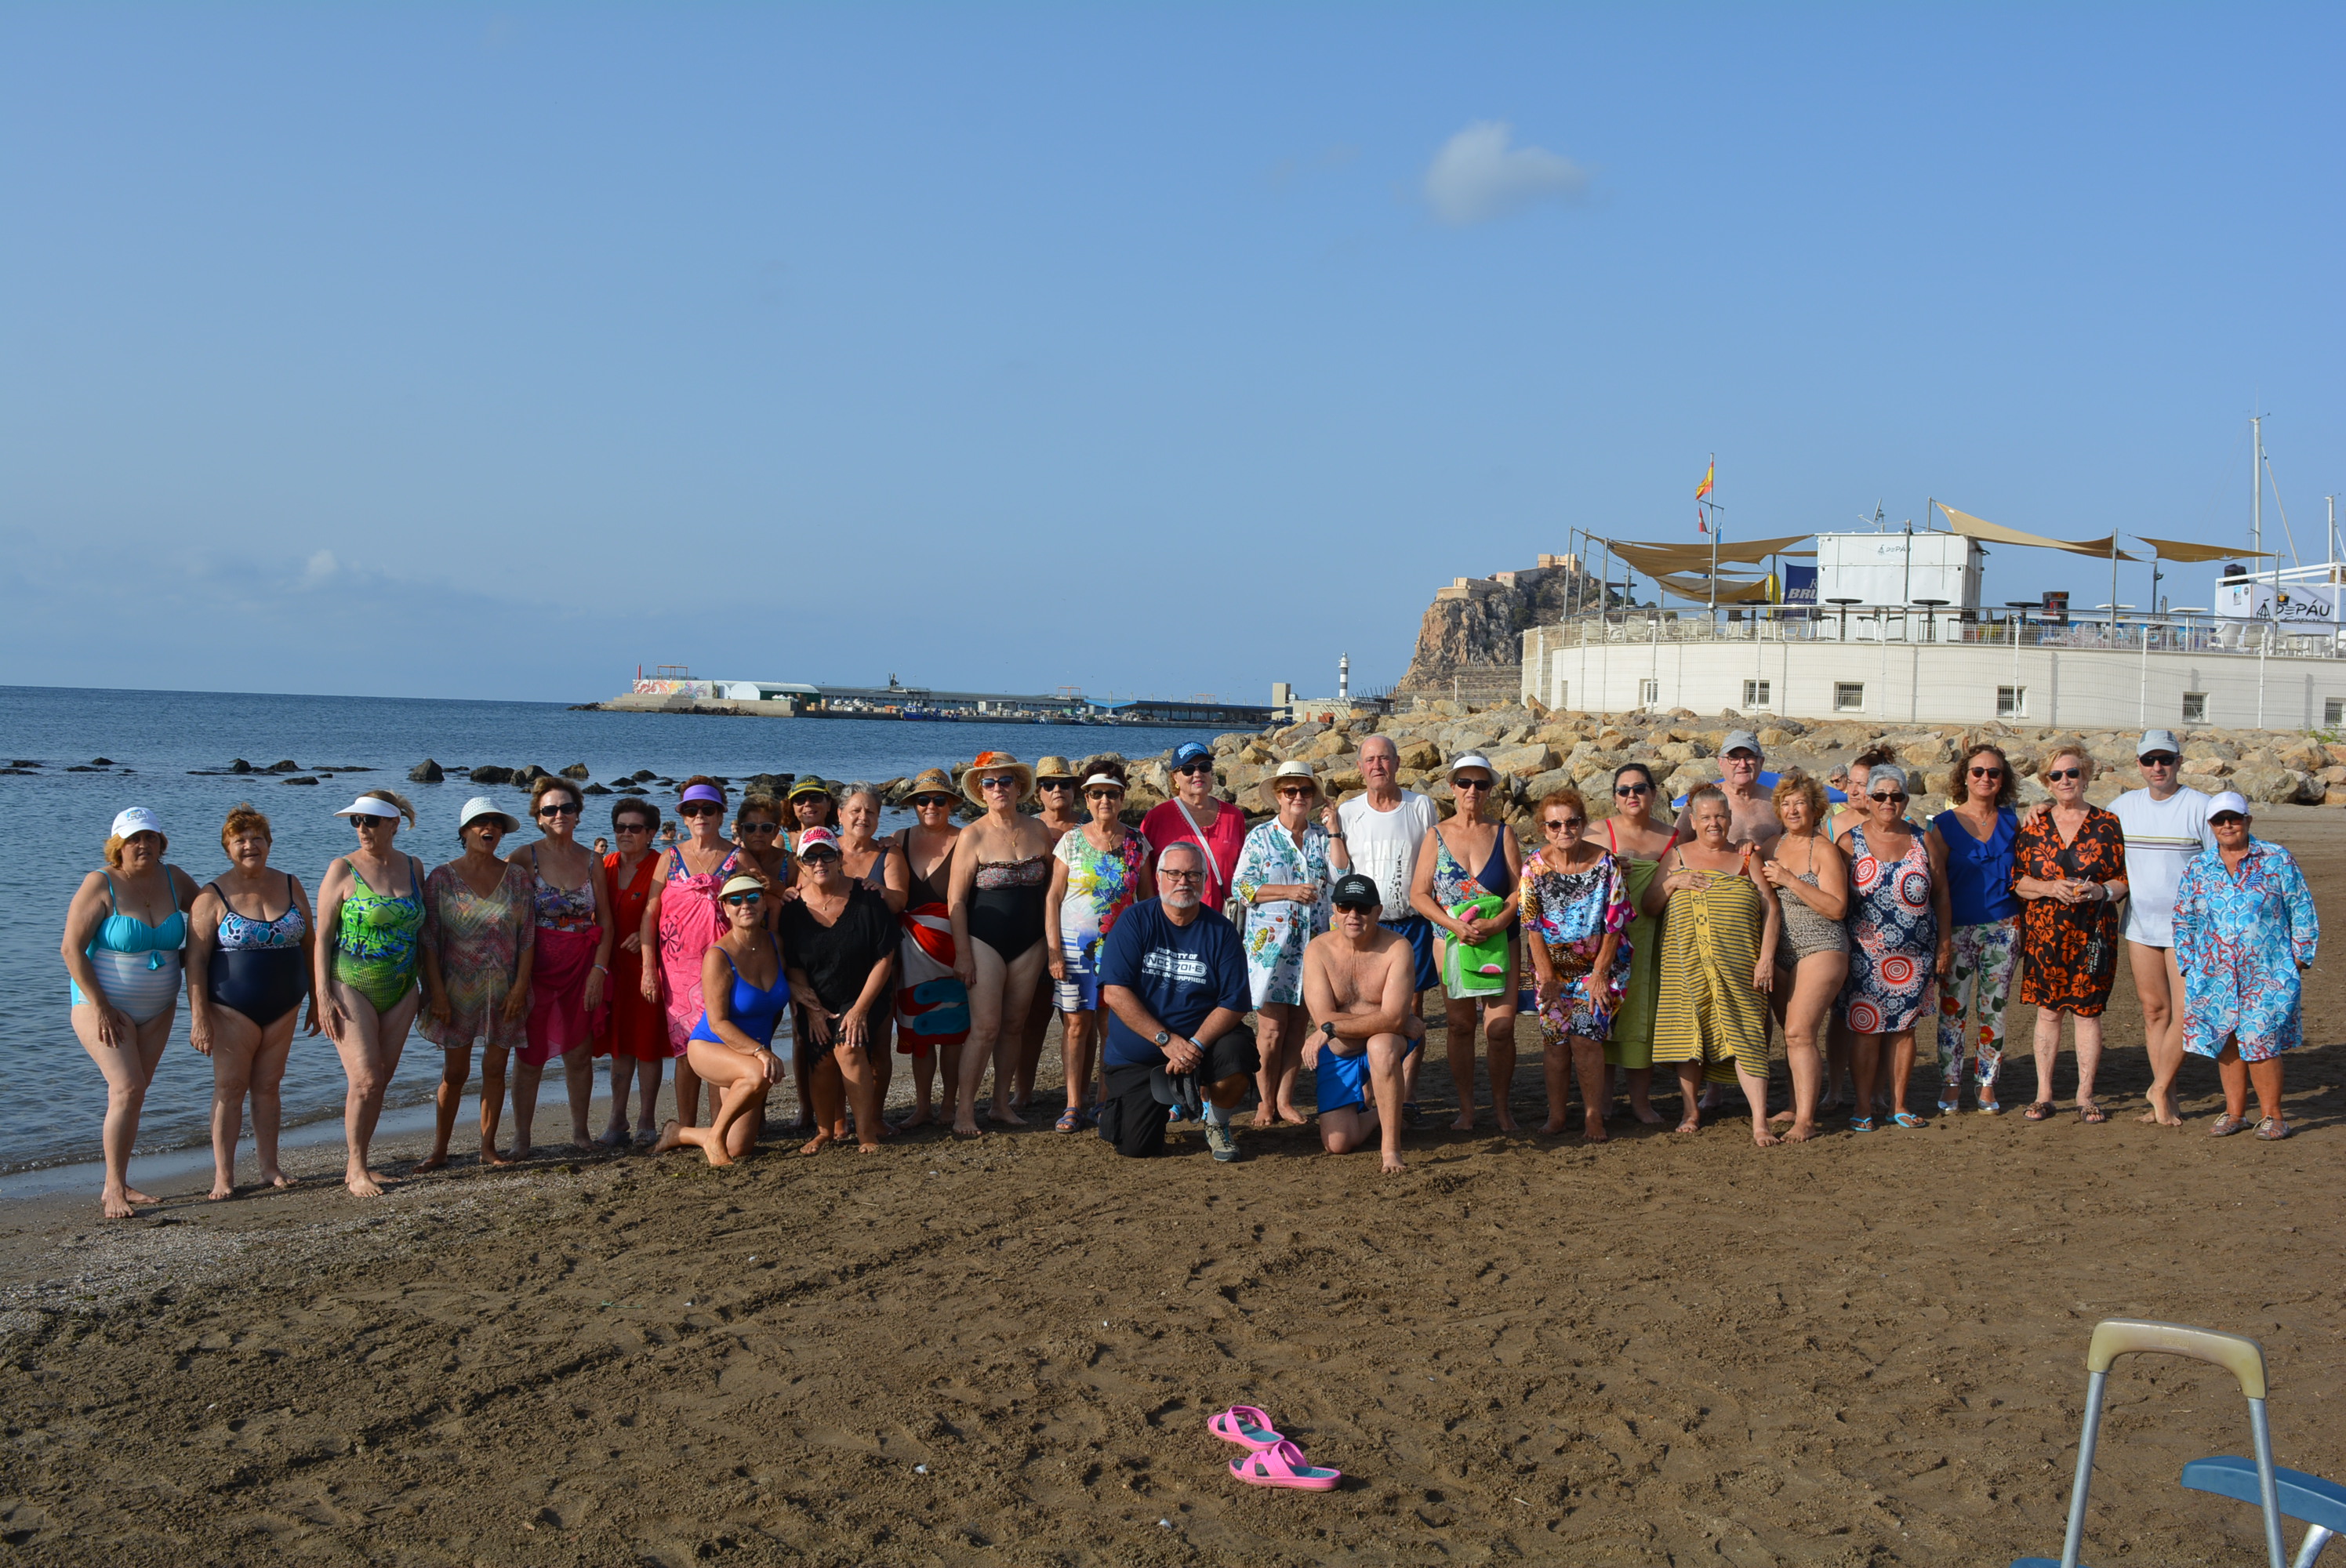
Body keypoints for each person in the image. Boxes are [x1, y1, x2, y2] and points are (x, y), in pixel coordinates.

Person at [63, 808, 198, 1218]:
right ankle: (113, 1190)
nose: (143, 845)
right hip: (101, 1006)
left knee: (134, 1095)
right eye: (134, 839)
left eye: (151, 838)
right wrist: (101, 1006)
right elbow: (71, 949)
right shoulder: (100, 883)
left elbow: (214, 908)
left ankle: (119, 1182)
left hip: (159, 1009)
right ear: (118, 846)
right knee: (126, 1089)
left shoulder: (174, 878)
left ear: (161, 842)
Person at [185, 804, 317, 1200]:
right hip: (230, 1007)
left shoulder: (292, 884)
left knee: (269, 1086)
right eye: (240, 840)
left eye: (257, 838)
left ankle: (268, 1167)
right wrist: (198, 1017)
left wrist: (317, 997)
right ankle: (223, 1176)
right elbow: (194, 961)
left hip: (286, 1004)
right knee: (229, 1086)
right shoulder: (212, 896)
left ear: (269, 843)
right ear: (227, 847)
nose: (249, 846)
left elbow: (310, 944)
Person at [1096, 842, 1257, 1161]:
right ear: (1159, 878)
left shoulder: (1221, 932)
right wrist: (1166, 1041)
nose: (1184, 881)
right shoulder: (1134, 921)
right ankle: (1168, 1101)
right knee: (1136, 1147)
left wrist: (1194, 1046)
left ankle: (1217, 1123)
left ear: (1205, 880)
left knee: (1238, 1052)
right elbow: (1114, 992)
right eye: (1174, 873)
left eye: (1193, 874)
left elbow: (1235, 1002)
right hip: (1141, 1053)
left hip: (1202, 1045)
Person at [2174, 792, 2319, 1141]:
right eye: (2219, 820)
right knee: (2227, 1041)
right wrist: (2190, 966)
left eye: (2234, 818)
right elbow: (2184, 920)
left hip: (2268, 973)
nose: (2227, 825)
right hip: (2214, 974)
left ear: (2248, 821)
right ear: (2210, 826)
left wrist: (2297, 960)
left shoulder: (2276, 859)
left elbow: (2301, 910)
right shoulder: (2198, 868)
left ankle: (2273, 1116)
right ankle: (2235, 1113)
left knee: (2261, 1041)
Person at [1644, 786, 1781, 1143]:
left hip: (1739, 964)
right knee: (1688, 1033)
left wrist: (1766, 958)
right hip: (1684, 964)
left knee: (1748, 1034)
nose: (1713, 823)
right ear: (1693, 821)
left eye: (1720, 816)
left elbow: (1771, 908)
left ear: (1731, 819)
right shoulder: (1676, 856)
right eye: (1705, 817)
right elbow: (1649, 906)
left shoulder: (1746, 858)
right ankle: (1691, 1111)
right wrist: (1673, 882)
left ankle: (1759, 1121)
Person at [314, 791, 426, 1198]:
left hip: (401, 987)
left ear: (394, 824)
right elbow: (322, 937)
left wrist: (430, 988)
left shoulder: (414, 866)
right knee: (365, 1079)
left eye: (371, 821)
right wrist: (321, 994)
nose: (362, 829)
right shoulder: (341, 869)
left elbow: (424, 932)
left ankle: (359, 1163)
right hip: (351, 984)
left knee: (381, 1081)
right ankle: (357, 1169)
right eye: (356, 822)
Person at [2011, 748, 2128, 1125]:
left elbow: (2123, 879)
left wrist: (2100, 892)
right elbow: (2018, 882)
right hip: (2046, 934)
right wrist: (2049, 888)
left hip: (2093, 934)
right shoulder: (2033, 825)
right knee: (2048, 1013)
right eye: (2056, 776)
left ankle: (2086, 1095)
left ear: (2087, 776)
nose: (2065, 782)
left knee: (2087, 1014)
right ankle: (2044, 1094)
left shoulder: (2108, 823)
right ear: (2046, 781)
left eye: (2072, 773)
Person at [416, 797, 532, 1168]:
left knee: (496, 1069)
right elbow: (429, 941)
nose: (490, 829)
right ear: (464, 831)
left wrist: (519, 989)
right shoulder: (441, 878)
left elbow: (528, 938)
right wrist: (436, 992)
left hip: (505, 988)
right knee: (455, 1072)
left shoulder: (516, 878)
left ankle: (488, 1147)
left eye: (496, 824)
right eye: (481, 823)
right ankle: (439, 1150)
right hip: (454, 990)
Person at [1410, 753, 1524, 1131]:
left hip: (1500, 939)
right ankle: (1466, 1110)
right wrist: (1453, 926)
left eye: (1481, 784)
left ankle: (1503, 1109)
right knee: (1460, 1027)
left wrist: (1499, 922)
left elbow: (1518, 891)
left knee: (1502, 1029)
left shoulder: (1504, 833)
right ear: (1452, 787)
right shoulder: (1436, 835)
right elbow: (1419, 895)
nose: (1472, 790)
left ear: (1490, 789)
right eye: (1464, 783)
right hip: (1451, 941)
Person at [1233, 761, 1350, 1128]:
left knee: (1299, 1027)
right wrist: (1288, 892)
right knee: (1269, 1030)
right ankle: (1265, 1103)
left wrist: (1335, 831)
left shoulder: (1320, 836)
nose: (1298, 797)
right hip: (1271, 950)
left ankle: (1284, 1100)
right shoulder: (1261, 837)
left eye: (1305, 791)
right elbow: (1242, 888)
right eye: (1290, 791)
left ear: (1314, 797)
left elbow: (1343, 876)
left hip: (1314, 948)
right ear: (1279, 797)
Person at [2108, 729, 2215, 1127]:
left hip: (2190, 928)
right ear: (2138, 764)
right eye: (2150, 760)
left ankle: (2159, 1086)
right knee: (2155, 1011)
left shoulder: (2200, 806)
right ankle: (2165, 1098)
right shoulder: (2123, 807)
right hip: (2139, 925)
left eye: (2166, 760)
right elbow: (2084, 830)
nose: (2158, 768)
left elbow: (2219, 863)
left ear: (2179, 763)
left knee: (2187, 1014)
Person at [946, 752, 1054, 1134]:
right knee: (986, 1028)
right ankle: (963, 1113)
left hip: (1031, 941)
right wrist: (962, 954)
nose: (998, 789)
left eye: (1005, 781)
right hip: (984, 941)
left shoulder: (1039, 831)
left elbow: (1052, 892)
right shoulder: (971, 835)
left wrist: (1053, 943)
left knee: (1014, 1025)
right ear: (980, 790)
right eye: (989, 783)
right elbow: (956, 900)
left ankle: (1000, 1104)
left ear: (1019, 786)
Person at [1837, 764, 1948, 1131]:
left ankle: (1899, 1104)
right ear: (1867, 799)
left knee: (1905, 1030)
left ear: (1906, 800)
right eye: (1881, 795)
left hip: (1914, 954)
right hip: (1864, 954)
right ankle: (1864, 1106)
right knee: (1866, 1029)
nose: (1889, 802)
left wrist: (1944, 945)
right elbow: (1835, 900)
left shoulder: (1924, 839)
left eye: (1897, 796)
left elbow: (1942, 896)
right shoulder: (1849, 842)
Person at [506, 776, 613, 1156]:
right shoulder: (523, 857)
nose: (559, 815)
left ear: (578, 815)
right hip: (536, 968)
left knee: (579, 1053)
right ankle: (521, 1138)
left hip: (582, 966)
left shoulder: (592, 860)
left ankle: (581, 1133)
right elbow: (502, 909)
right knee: (529, 1055)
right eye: (550, 809)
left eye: (567, 808)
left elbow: (607, 921)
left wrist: (599, 972)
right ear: (538, 817)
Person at [1044, 763, 1153, 1132]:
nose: (1104, 799)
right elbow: (1053, 898)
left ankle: (1106, 1100)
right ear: (1086, 799)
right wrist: (1053, 950)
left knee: (1112, 1025)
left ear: (1122, 798)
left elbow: (1148, 900)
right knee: (1076, 1026)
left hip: (1122, 950)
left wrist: (1147, 950)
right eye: (1096, 794)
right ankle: (1074, 1104)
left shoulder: (1138, 842)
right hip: (1075, 949)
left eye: (1112, 793)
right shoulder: (1071, 841)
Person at [652, 875, 789, 1166]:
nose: (745, 905)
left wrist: (800, 992)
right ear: (724, 907)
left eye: (753, 897)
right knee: (761, 1073)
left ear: (764, 902)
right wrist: (760, 1051)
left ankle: (680, 1133)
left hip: (747, 1055)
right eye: (736, 900)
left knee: (739, 1147)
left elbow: (786, 984)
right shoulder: (718, 956)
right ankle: (714, 1139)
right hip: (712, 1047)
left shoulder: (775, 943)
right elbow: (718, 1023)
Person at [1519, 789, 1630, 1141]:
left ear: (1583, 823)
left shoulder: (1606, 864)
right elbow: (1532, 927)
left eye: (1571, 822)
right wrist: (1547, 978)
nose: (1563, 829)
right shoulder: (1533, 867)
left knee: (1586, 1040)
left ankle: (1593, 1117)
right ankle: (1557, 1116)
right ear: (1544, 828)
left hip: (1598, 965)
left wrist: (1599, 975)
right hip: (1551, 969)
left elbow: (1615, 925)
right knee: (1554, 1043)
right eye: (1555, 824)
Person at [779, 827, 899, 1154]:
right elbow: (794, 965)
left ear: (840, 858)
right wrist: (812, 1009)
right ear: (800, 864)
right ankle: (824, 1131)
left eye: (827, 854)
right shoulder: (791, 909)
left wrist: (859, 1009)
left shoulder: (867, 898)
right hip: (817, 997)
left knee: (847, 1046)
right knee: (820, 1054)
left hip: (864, 994)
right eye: (811, 857)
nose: (820, 863)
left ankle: (865, 1133)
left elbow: (884, 957)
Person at [1302, 873, 1425, 1172]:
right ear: (1334, 910)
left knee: (1381, 1046)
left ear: (1378, 911)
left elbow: (1393, 1018)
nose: (1353, 915)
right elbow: (1323, 1018)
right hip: (1341, 1049)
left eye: (1363, 908)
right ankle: (1388, 1111)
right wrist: (1387, 1019)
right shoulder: (1318, 950)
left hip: (1383, 1041)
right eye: (1345, 907)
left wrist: (1333, 1028)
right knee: (1338, 1144)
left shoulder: (1397, 947)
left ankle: (1391, 1150)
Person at [642, 779, 743, 1130]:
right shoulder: (669, 857)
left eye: (708, 809)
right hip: (676, 970)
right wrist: (647, 968)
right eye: (691, 810)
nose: (699, 815)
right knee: (684, 1051)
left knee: (719, 1046)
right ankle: (686, 1127)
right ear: (683, 817)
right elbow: (651, 913)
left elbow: (759, 904)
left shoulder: (737, 857)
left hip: (723, 966)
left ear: (720, 814)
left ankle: (720, 1128)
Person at [1927, 744, 2021, 1116]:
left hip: (2004, 927)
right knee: (1953, 1010)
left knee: (1994, 1009)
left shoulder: (2016, 823)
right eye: (1978, 771)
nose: (1986, 778)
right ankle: (1951, 1083)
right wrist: (1944, 939)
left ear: (2003, 780)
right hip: (1958, 929)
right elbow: (1938, 887)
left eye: (1994, 773)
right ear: (1964, 776)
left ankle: (1987, 1084)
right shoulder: (1943, 825)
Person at [1756, 771, 1847, 1142]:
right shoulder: (1772, 845)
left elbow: (1838, 908)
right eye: (1786, 804)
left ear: (1815, 808)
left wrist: (1791, 880)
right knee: (1789, 1033)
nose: (1793, 810)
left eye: (1800, 803)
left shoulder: (1823, 849)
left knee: (1799, 1032)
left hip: (1821, 945)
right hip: (1781, 950)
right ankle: (1795, 1104)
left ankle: (1806, 1120)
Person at [1585, 761, 1677, 1125]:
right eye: (1624, 791)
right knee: (1605, 1016)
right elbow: (1572, 877)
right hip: (1606, 941)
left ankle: (1641, 1102)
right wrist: (1603, 871)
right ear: (1614, 799)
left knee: (1643, 1018)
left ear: (1654, 794)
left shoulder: (1673, 837)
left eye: (1640, 788)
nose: (1632, 796)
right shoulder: (1598, 832)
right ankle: (1603, 1103)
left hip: (1652, 939)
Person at [1339, 735, 1443, 1006]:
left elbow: (1433, 861)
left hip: (1413, 922)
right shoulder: (1348, 812)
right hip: (1366, 923)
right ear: (1360, 767)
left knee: (1411, 1006)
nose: (1377, 765)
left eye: (1384, 758)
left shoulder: (1420, 806)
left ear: (1396, 763)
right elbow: (1341, 870)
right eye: (1370, 760)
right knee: (1367, 1002)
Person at [891, 768, 965, 1127]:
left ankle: (949, 1105)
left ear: (951, 803)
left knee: (952, 1032)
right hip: (911, 952)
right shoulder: (897, 839)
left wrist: (968, 953)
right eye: (922, 800)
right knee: (918, 1032)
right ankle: (922, 1106)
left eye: (938, 799)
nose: (930, 806)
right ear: (913, 805)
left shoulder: (966, 840)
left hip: (953, 948)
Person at [1823, 745, 1894, 1112]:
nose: (1853, 790)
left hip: (1888, 935)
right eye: (1851, 782)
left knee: (1882, 1017)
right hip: (1845, 930)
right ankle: (1834, 1088)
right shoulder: (1834, 825)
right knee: (1841, 1015)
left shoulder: (1899, 827)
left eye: (1863, 784)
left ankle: (1877, 1091)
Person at [1013, 756, 1086, 1110]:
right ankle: (1023, 1092)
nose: (1057, 790)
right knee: (1031, 1018)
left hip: (1075, 936)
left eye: (1065, 784)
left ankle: (1080, 1094)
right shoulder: (1028, 828)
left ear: (1075, 790)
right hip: (1031, 934)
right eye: (1049, 784)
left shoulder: (1089, 829)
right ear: (1037, 792)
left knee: (1078, 1021)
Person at [597, 796, 667, 1145]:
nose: (626, 833)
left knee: (648, 1046)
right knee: (619, 1047)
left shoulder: (661, 865)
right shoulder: (604, 865)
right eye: (620, 827)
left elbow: (676, 913)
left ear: (651, 833)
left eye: (635, 828)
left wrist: (646, 934)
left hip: (648, 968)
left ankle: (647, 1120)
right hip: (610, 970)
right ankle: (616, 1119)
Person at [837, 783, 910, 1119]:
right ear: (840, 815)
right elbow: (801, 889)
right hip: (830, 962)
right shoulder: (824, 849)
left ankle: (874, 1118)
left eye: (870, 811)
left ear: (879, 818)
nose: (862, 817)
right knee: (829, 1045)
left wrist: (878, 889)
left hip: (878, 958)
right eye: (855, 810)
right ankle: (834, 1119)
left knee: (878, 1043)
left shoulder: (888, 854)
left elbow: (899, 901)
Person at [1140, 741, 1248, 913]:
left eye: (1204, 767)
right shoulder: (1157, 818)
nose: (1197, 774)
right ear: (1175, 777)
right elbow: (1144, 878)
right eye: (1188, 770)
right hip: (1173, 922)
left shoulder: (1234, 817)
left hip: (1222, 923)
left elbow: (1244, 872)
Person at [1676, 730, 1784, 854]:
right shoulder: (1703, 798)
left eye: (1749, 757)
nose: (1742, 764)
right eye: (1734, 757)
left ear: (1761, 762)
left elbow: (1796, 843)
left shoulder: (1778, 801)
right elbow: (1678, 845)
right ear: (1720, 763)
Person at [786, 777, 839, 851]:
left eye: (815, 797)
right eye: (800, 799)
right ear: (792, 808)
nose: (808, 803)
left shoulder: (843, 844)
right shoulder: (779, 843)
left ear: (829, 804)